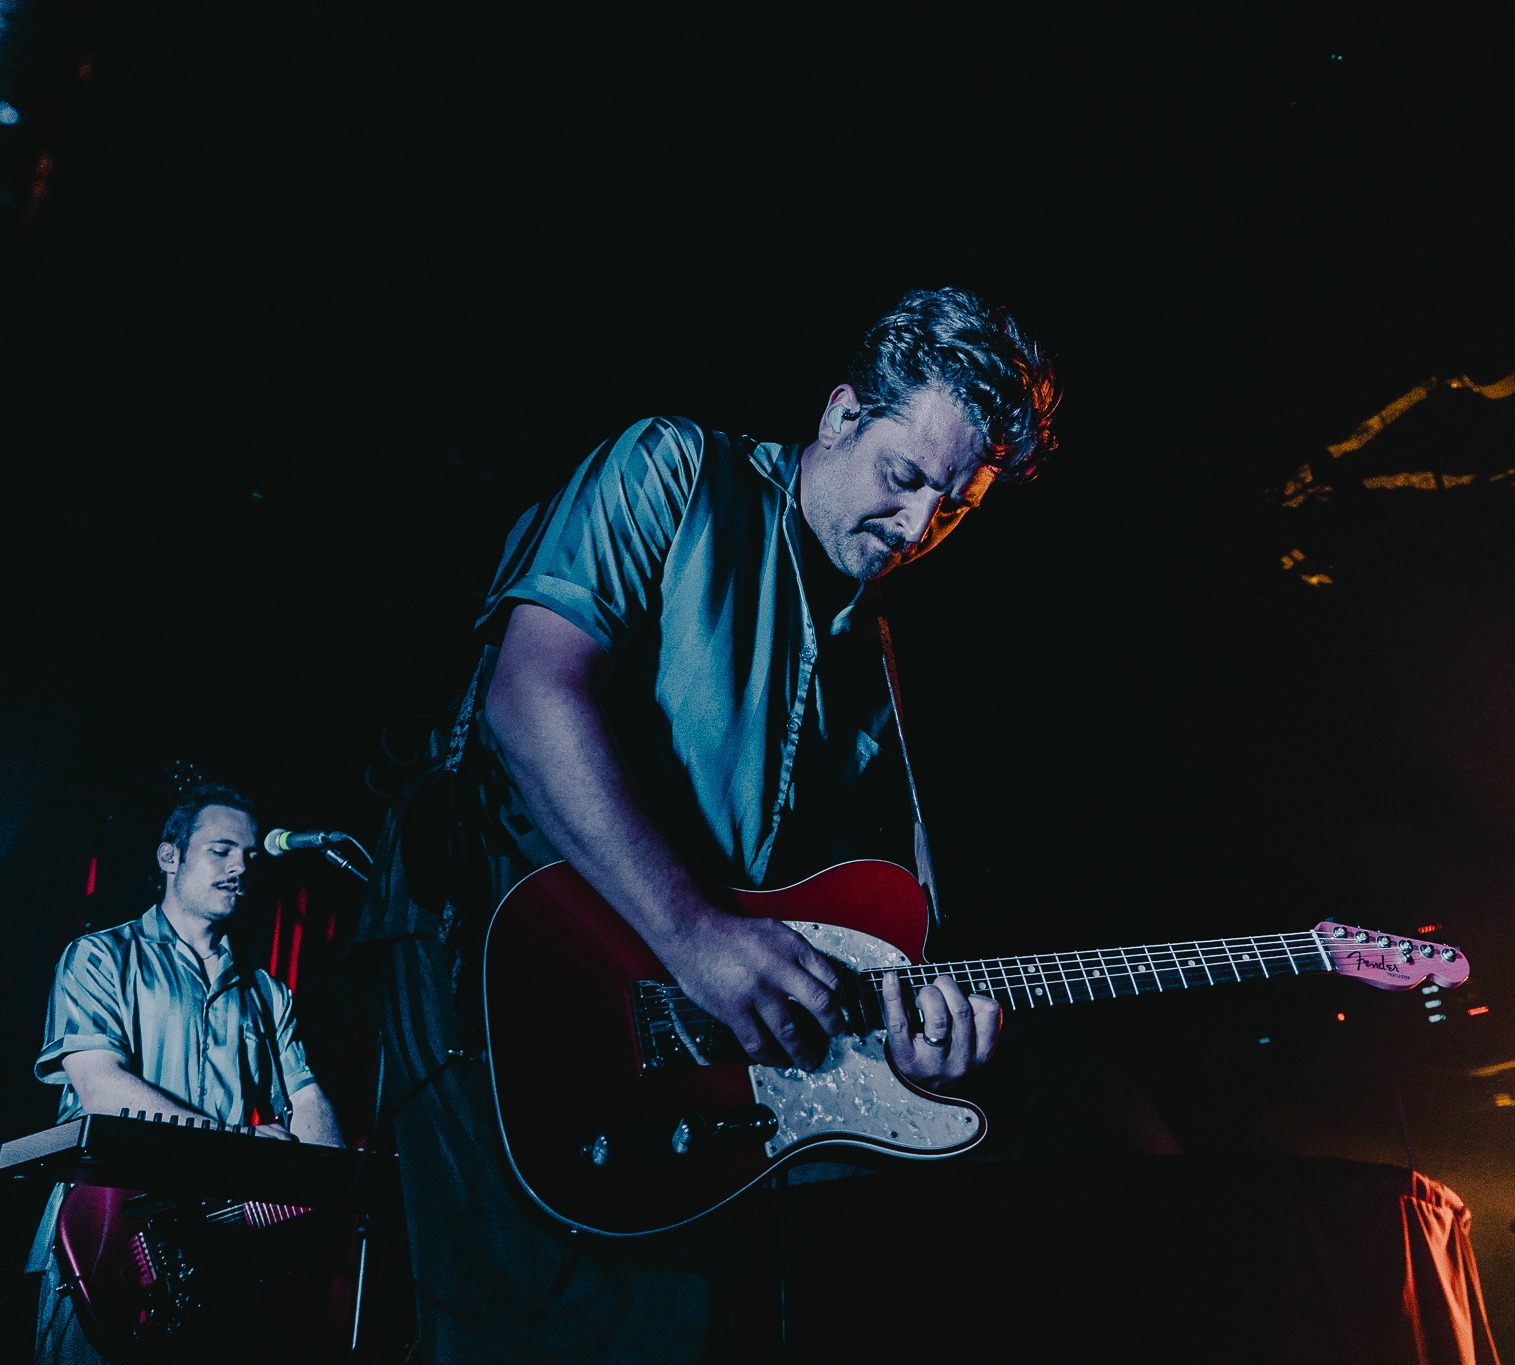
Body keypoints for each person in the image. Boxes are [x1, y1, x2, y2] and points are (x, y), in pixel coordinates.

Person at [360, 286, 1060, 1362]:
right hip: (489, 962)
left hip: (668, 1050)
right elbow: (529, 694)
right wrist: (693, 933)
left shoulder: (869, 650)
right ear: (841, 416)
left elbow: (857, 917)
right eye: (903, 475)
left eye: (955, 506)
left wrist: (914, 1037)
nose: (919, 525)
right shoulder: (673, 468)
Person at [29, 782, 346, 1365]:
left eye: (248, 856)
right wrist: (237, 1145)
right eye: (220, 850)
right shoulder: (100, 957)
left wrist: (333, 1175)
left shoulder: (267, 992)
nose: (239, 868)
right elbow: (101, 1086)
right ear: (169, 856)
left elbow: (305, 1097)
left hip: (215, 1251)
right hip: (108, 1237)